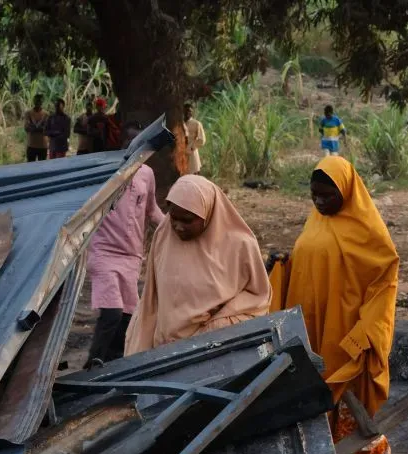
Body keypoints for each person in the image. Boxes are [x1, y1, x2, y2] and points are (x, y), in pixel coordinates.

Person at [268, 156, 406, 454]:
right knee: (315, 409)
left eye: (327, 196)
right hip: (311, 331)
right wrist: (281, 267)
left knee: (345, 410)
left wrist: (365, 335)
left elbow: (383, 286)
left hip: (346, 339)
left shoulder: (369, 234)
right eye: (315, 195)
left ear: (346, 191)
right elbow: (306, 265)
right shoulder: (315, 224)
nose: (320, 202)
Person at [125, 174, 271, 355]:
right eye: (173, 218)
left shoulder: (239, 245)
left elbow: (257, 299)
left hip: (215, 350)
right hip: (164, 349)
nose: (178, 226)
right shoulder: (165, 233)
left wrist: (215, 328)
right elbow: (153, 296)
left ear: (208, 213)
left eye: (187, 220)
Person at [86, 122, 164, 366]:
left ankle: (114, 363)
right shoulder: (106, 172)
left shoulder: (147, 174)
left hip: (131, 255)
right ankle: (93, 361)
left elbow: (151, 210)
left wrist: (171, 227)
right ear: (123, 145)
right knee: (111, 313)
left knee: (128, 315)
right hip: (104, 251)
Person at [183, 103, 206, 173]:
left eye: (189, 111)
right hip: (181, 152)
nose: (187, 112)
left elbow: (202, 140)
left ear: (192, 112)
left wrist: (192, 147)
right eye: (186, 111)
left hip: (192, 152)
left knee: (193, 174)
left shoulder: (196, 124)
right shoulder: (180, 123)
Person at [25, 94, 49, 162]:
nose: (38, 102)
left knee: (42, 168)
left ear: (42, 102)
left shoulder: (46, 114)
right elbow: (26, 128)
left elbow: (46, 129)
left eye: (39, 100)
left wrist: (33, 127)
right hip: (31, 145)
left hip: (43, 146)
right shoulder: (28, 113)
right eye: (36, 100)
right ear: (33, 101)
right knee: (30, 167)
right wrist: (40, 128)